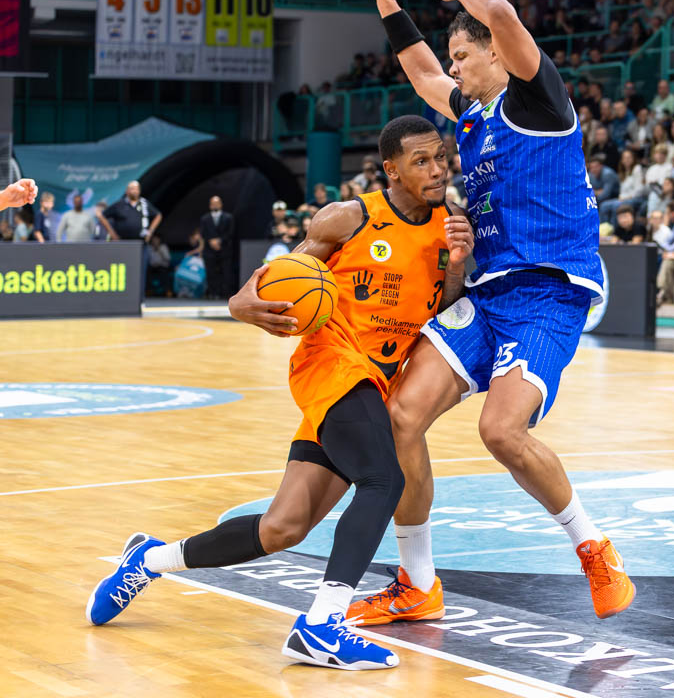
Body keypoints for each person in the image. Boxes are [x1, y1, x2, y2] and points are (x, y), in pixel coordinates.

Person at [85, 116, 473, 671]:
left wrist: (457, 267)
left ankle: (149, 561)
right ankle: (322, 625)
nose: (437, 169)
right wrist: (239, 302)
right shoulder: (348, 218)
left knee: (282, 528)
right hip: (331, 364)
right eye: (422, 161)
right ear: (391, 169)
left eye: (440, 157)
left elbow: (441, 306)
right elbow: (280, 275)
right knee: (385, 479)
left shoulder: (451, 224)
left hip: (374, 383)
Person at [352, 0, 635, 624]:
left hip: (548, 294)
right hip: (488, 296)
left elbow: (502, 14)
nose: (452, 67)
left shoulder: (538, 101)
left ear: (496, 56)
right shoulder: (473, 116)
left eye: (462, 55)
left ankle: (595, 548)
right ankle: (417, 584)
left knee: (500, 432)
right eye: (452, 57)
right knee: (400, 416)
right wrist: (388, 4)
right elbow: (423, 74)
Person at [96, 180, 161, 296]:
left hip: (140, 244)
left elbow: (158, 215)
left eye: (136, 189)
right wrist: (112, 233)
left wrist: (150, 231)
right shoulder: (120, 205)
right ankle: (122, 296)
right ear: (127, 191)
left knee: (140, 271)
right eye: (132, 188)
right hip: (124, 244)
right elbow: (101, 216)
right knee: (123, 271)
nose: (134, 191)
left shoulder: (144, 204)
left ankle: (139, 297)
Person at [200, 195, 236, 299]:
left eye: (217, 203)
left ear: (221, 204)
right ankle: (213, 293)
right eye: (213, 203)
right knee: (211, 272)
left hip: (224, 249)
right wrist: (211, 241)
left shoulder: (228, 217)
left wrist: (220, 241)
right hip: (209, 250)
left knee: (226, 272)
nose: (215, 205)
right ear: (210, 205)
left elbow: (231, 232)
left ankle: (226, 293)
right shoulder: (204, 219)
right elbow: (203, 233)